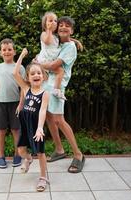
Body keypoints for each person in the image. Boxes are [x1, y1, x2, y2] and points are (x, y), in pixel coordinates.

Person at [39, 16, 85, 173]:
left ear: (71, 30)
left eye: (67, 26)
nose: (63, 28)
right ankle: (59, 150)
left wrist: (38, 64)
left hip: (58, 87)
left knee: (59, 120)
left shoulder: (69, 47)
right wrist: (76, 40)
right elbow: (61, 39)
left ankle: (78, 155)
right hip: (47, 84)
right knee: (50, 117)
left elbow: (53, 65)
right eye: (61, 26)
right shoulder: (60, 41)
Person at [13, 48, 50, 192]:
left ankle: (43, 177)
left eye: (39, 73)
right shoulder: (26, 89)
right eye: (32, 73)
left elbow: (42, 111)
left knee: (40, 153)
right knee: (21, 149)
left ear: (43, 76)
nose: (36, 75)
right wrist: (22, 55)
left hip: (36, 127)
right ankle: (28, 159)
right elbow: (15, 73)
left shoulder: (45, 93)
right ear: (28, 77)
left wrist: (40, 127)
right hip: (25, 124)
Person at [0, 38, 25, 169]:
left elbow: (23, 87)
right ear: (0, 52)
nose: (7, 52)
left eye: (9, 49)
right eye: (4, 50)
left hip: (15, 103)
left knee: (16, 130)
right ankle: (1, 156)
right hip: (0, 102)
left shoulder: (19, 67)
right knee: (1, 130)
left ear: (14, 52)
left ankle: (17, 155)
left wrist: (21, 103)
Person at [37, 11, 83, 101]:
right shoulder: (46, 34)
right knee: (46, 113)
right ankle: (55, 90)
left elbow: (53, 66)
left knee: (56, 115)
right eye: (60, 25)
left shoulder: (68, 45)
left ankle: (57, 90)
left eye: (55, 21)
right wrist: (49, 30)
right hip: (46, 70)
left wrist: (76, 41)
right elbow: (47, 41)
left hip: (53, 79)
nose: (53, 23)